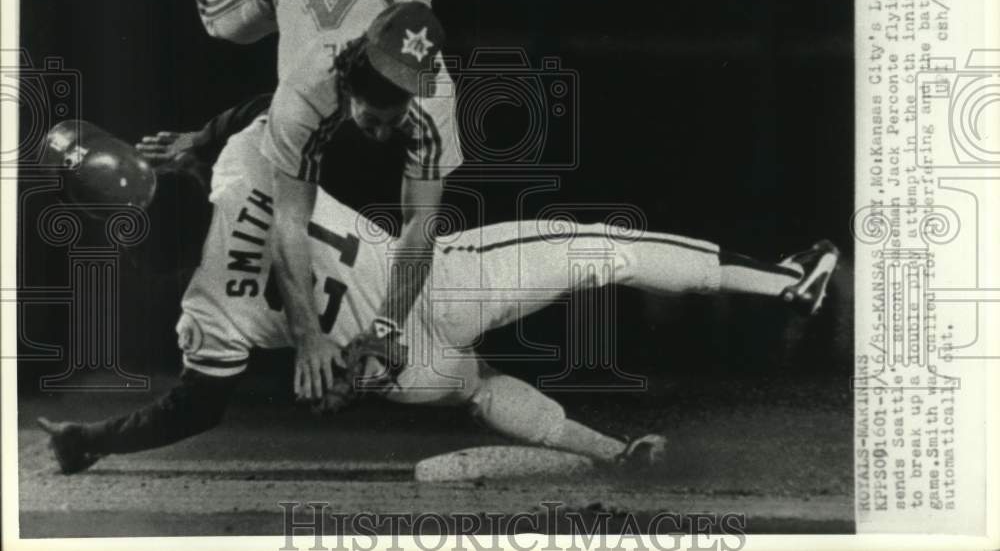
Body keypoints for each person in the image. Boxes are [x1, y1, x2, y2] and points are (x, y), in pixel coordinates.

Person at [38, 118, 839, 475]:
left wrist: (94, 437)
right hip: (428, 281)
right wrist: (202, 136)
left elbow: (195, 409)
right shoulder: (243, 161)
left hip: (394, 367)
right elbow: (283, 98)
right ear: (147, 165)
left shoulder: (201, 311)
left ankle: (613, 455)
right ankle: (785, 283)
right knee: (605, 248)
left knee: (481, 388)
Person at [145, 0, 462, 404]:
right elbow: (286, 222)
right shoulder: (307, 89)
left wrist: (389, 327)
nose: (378, 134)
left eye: (394, 118)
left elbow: (422, 222)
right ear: (347, 89)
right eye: (372, 119)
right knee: (221, 16)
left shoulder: (434, 87)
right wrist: (307, 334)